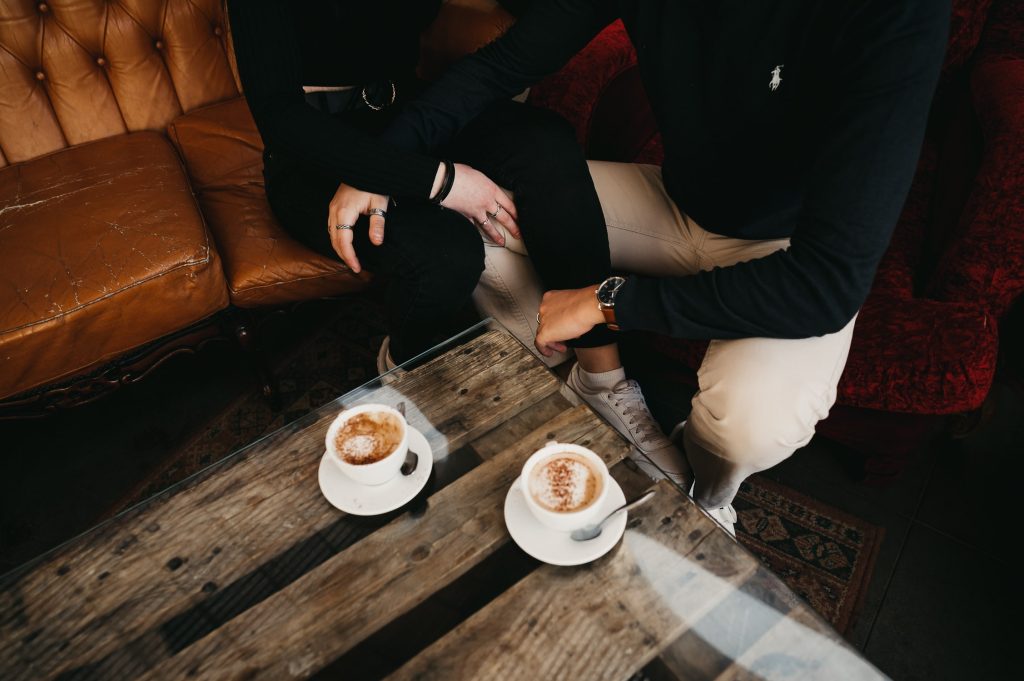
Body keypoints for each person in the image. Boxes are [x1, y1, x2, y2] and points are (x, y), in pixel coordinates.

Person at [358, 0, 950, 535]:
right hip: (672, 203)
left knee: (750, 424)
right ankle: (585, 386)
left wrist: (606, 300)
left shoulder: (897, 16)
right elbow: (501, 66)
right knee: (468, 215)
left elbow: (828, 284)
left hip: (791, 251)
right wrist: (382, 166)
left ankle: (705, 495)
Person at [230, 0, 691, 482]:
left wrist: (400, 157)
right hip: (313, 152)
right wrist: (439, 180)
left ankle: (601, 379)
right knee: (446, 254)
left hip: (405, 114)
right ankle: (404, 367)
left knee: (545, 144)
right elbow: (280, 118)